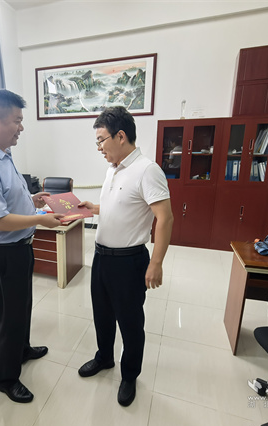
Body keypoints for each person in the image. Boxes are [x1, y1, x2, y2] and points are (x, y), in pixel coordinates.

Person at [0, 89, 63, 403]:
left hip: (18, 247)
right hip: (0, 252)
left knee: (22, 306)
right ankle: (6, 378)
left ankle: (22, 350)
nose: (21, 127)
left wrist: (31, 201)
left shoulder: (3, 155)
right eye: (16, 121)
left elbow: (6, 199)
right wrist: (40, 220)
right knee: (9, 314)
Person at [78, 106, 174, 406]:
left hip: (128, 261)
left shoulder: (147, 170)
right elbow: (121, 205)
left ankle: (129, 374)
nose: (99, 147)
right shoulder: (114, 168)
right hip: (101, 258)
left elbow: (165, 218)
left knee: (130, 323)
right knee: (102, 314)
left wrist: (156, 263)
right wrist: (93, 208)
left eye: (101, 140)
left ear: (121, 136)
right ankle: (104, 357)